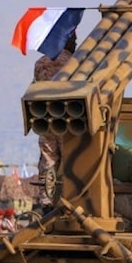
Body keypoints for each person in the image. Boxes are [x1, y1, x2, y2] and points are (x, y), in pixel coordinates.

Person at [33, 31, 77, 210]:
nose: (76, 42)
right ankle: (69, 199)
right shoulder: (75, 63)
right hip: (69, 120)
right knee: (70, 161)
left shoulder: (40, 63)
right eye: (73, 38)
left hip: (45, 119)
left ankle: (46, 202)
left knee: (48, 161)